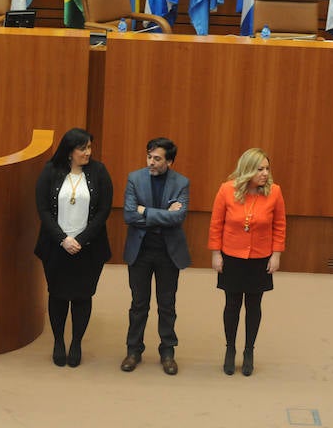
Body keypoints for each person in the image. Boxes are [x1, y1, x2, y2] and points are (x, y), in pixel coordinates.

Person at [34, 128, 112, 367]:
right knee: (57, 295)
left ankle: (76, 342)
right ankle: (59, 342)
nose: (88, 152)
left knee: (82, 296)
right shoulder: (50, 171)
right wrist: (63, 239)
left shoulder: (99, 172)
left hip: (89, 247)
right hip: (56, 246)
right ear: (69, 151)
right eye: (82, 148)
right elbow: (43, 209)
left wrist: (82, 238)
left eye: (89, 147)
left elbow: (104, 210)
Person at [209, 147, 286, 377]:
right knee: (232, 304)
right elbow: (216, 224)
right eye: (259, 169)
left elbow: (280, 225)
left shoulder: (274, 192)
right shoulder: (226, 190)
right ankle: (230, 348)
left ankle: (249, 350)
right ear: (247, 170)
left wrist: (276, 254)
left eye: (266, 168)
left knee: (254, 305)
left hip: (260, 258)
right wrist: (216, 253)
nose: (265, 173)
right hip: (231, 256)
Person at [121, 137, 191, 375]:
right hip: (140, 251)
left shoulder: (181, 183)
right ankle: (133, 351)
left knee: (167, 305)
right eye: (149, 156)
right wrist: (161, 214)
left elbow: (178, 218)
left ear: (169, 161)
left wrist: (145, 211)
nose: (151, 162)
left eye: (157, 158)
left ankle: (168, 352)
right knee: (138, 304)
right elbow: (129, 215)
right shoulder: (135, 179)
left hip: (167, 252)